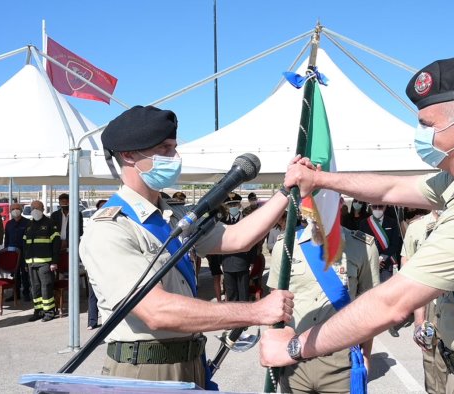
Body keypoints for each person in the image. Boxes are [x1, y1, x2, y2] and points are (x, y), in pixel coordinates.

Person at [261, 56, 454, 393]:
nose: (419, 134)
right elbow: (393, 188)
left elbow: (394, 303)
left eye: (426, 123)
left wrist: (294, 347)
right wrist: (319, 178)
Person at [79, 105, 294, 388]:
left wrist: (287, 191)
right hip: (146, 370)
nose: (175, 157)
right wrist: (256, 311)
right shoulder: (109, 227)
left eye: (174, 148)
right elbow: (157, 311)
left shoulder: (173, 214)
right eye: (165, 149)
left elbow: (236, 238)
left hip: (190, 362)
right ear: (129, 155)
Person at [267, 201, 380, 393]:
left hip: (341, 362)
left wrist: (366, 357)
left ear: (340, 204)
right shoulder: (285, 246)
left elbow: (370, 309)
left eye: (327, 200)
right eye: (314, 201)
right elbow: (273, 308)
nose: (320, 209)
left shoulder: (363, 247)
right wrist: (274, 357)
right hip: (294, 360)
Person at [403, 210, 449, 394]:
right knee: (431, 363)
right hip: (429, 301)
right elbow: (411, 277)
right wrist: (418, 320)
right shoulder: (417, 228)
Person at [24, 200, 61, 322]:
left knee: (46, 287)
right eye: (32, 207)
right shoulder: (29, 225)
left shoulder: (50, 224)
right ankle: (38, 311)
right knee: (35, 288)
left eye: (37, 207)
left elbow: (56, 244)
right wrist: (26, 262)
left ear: (43, 209)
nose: (35, 210)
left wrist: (54, 262)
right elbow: (25, 245)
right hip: (31, 262)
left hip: (45, 263)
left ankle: (49, 312)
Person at [359, 203, 401, 283]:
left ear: (385, 207)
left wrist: (381, 258)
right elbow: (361, 245)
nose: (377, 209)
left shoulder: (392, 223)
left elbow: (395, 244)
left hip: (386, 264)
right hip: (369, 264)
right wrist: (374, 260)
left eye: (380, 206)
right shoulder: (363, 223)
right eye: (375, 206)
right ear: (371, 207)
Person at [87, 199, 108, 330]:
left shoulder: (115, 223)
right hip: (94, 263)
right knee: (93, 294)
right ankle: (92, 321)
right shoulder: (92, 224)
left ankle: (108, 321)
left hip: (108, 264)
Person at [4, 202, 31, 302]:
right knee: (15, 274)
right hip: (12, 253)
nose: (15, 210)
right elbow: (7, 239)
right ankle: (15, 293)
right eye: (13, 209)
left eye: (17, 208)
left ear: (21, 210)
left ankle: (26, 293)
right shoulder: (9, 224)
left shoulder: (28, 223)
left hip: (24, 252)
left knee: (25, 273)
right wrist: (6, 251)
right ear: (10, 211)